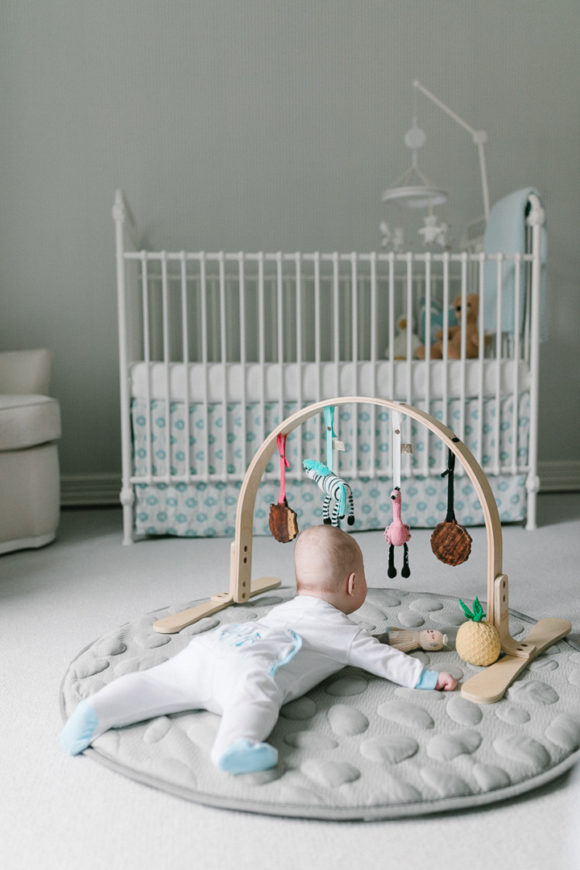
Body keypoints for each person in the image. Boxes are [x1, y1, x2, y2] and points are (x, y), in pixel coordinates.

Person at [61, 525, 457, 774]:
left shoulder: (285, 607)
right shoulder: (342, 630)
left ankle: (97, 710)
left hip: (213, 647)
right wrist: (423, 677)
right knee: (255, 697)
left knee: (156, 681)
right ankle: (234, 745)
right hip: (248, 666)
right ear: (354, 584)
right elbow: (382, 658)